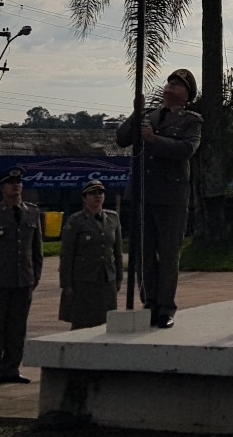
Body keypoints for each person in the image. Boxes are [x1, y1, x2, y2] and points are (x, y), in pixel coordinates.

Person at [115, 68, 204, 328]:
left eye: (178, 85)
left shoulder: (191, 120)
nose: (171, 87)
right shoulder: (147, 116)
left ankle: (165, 308)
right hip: (144, 193)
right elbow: (121, 139)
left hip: (171, 195)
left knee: (168, 254)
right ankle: (149, 302)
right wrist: (135, 112)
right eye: (170, 82)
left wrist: (155, 140)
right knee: (143, 254)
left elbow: (186, 149)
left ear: (186, 95)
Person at [0, 167, 43, 385]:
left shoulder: (32, 212)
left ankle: (12, 368)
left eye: (19, 182)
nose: (16, 185)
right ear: (3, 188)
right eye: (11, 182)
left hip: (23, 279)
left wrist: (35, 276)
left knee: (17, 328)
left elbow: (36, 250)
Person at [59, 180, 122, 330]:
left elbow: (117, 251)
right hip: (84, 281)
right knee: (82, 323)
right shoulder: (76, 221)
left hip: (106, 279)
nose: (97, 196)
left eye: (100, 193)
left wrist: (118, 278)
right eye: (92, 193)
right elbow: (67, 254)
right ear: (84, 198)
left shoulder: (113, 218)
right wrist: (66, 284)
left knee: (107, 323)